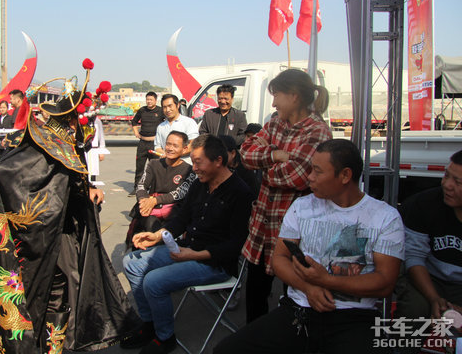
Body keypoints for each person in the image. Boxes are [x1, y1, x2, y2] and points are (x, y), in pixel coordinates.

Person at [0, 60, 139, 353]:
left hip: (61, 229)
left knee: (67, 281)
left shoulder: (64, 147)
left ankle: (55, 340)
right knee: (41, 287)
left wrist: (88, 190)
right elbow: (5, 177)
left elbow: (70, 183)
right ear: (73, 123)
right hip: (31, 236)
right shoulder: (43, 151)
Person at [214, 139, 405, 354]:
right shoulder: (302, 206)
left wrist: (327, 281)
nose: (309, 177)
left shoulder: (385, 217)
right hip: (298, 311)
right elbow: (279, 260)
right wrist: (308, 288)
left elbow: (385, 282)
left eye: (317, 171)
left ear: (345, 176)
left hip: (355, 317)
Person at [121, 134, 254, 354]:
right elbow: (180, 219)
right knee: (131, 262)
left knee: (153, 282)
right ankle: (150, 324)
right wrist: (156, 236)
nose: (194, 168)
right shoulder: (199, 185)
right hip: (186, 248)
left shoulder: (240, 193)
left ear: (218, 161)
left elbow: (235, 245)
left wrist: (193, 255)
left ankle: (165, 337)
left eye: (198, 162)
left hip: (214, 263)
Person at [239, 68, 332, 323]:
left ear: (293, 96)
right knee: (256, 290)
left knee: (297, 291)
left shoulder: (317, 131)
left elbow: (297, 176)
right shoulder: (274, 123)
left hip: (294, 230)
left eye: (276, 95)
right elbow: (245, 153)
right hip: (263, 224)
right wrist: (275, 156)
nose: (273, 102)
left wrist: (265, 168)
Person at [394, 149, 462, 342]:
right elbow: (414, 256)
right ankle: (401, 347)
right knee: (415, 309)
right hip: (430, 278)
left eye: (457, 182)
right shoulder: (424, 204)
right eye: (446, 175)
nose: (447, 185)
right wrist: (434, 299)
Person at [126, 131, 197, 248]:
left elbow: (180, 193)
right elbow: (141, 186)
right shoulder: (153, 164)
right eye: (168, 144)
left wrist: (154, 200)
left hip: (174, 212)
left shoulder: (189, 170)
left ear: (184, 149)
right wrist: (144, 201)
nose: (170, 148)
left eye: (175, 146)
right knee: (149, 223)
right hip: (150, 209)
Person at [130, 91, 164, 196]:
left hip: (154, 144)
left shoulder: (160, 111)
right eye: (147, 99)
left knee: (154, 167)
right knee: (139, 167)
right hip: (142, 143)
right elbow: (134, 121)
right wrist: (136, 132)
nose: (149, 102)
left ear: (155, 100)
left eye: (151, 100)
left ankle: (154, 189)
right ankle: (136, 188)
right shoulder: (142, 110)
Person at [153, 94, 198, 163]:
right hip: (166, 166)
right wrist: (164, 154)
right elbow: (157, 147)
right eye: (164, 107)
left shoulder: (189, 122)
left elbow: (193, 144)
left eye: (170, 106)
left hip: (186, 165)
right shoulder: (160, 127)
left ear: (178, 105)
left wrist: (174, 154)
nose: (167, 110)